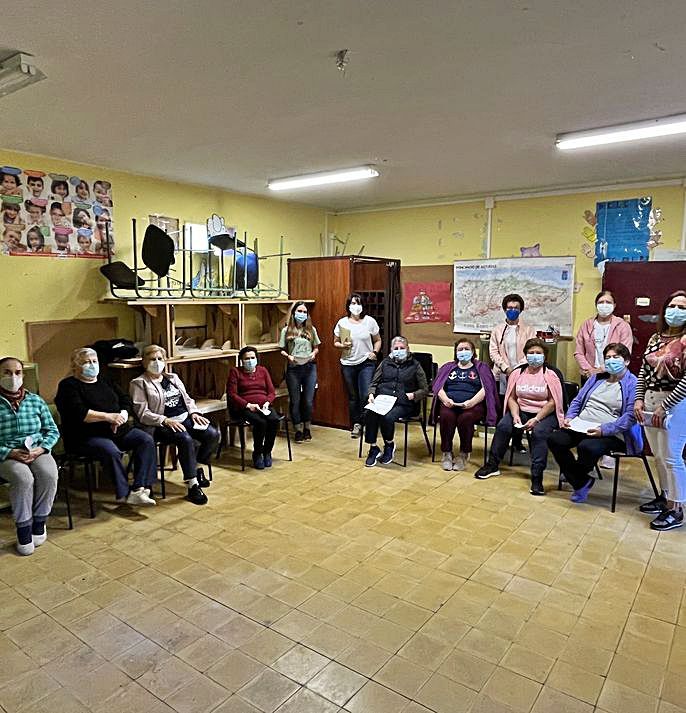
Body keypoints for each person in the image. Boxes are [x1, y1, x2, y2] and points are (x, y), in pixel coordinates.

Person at [55, 347, 157, 505]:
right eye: (86, 362)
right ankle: (125, 493)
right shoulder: (68, 386)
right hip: (87, 435)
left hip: (118, 430)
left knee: (145, 439)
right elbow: (79, 413)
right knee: (111, 451)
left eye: (94, 361)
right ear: (75, 366)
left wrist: (122, 415)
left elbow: (125, 400)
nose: (92, 365)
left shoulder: (106, 380)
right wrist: (109, 417)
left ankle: (140, 487)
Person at [548, 343, 641, 503]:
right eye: (608, 358)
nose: (611, 361)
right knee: (554, 439)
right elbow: (577, 401)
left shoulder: (633, 384)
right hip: (581, 424)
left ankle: (574, 475)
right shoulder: (596, 378)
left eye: (616, 357)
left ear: (626, 361)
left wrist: (604, 430)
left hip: (613, 432)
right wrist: (570, 417)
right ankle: (581, 480)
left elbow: (630, 417)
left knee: (587, 446)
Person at [475, 338, 565, 495]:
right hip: (521, 410)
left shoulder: (551, 374)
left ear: (545, 356)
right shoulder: (518, 372)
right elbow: (512, 397)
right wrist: (515, 414)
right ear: (525, 355)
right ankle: (492, 465)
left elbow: (553, 402)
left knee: (539, 433)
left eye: (538, 353)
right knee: (503, 426)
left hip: (545, 413)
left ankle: (537, 477)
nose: (534, 356)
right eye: (531, 353)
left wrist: (537, 419)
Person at [130, 346, 218, 506]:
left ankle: (196, 466)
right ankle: (193, 485)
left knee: (212, 434)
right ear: (144, 362)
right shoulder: (139, 383)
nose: (157, 363)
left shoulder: (173, 378)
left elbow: (188, 399)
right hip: (160, 424)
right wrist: (164, 420)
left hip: (184, 417)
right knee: (185, 439)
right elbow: (142, 412)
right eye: (152, 359)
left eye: (160, 359)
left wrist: (194, 413)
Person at [634, 290, 686, 531]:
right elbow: (644, 371)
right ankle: (665, 497)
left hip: (675, 403)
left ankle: (677, 508)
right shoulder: (656, 337)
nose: (675, 311)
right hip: (650, 401)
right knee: (657, 454)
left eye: (682, 307)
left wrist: (666, 406)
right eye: (672, 305)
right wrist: (638, 399)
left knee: (672, 456)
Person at [0, 357, 60, 556]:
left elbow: (52, 430)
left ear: (23, 375)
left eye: (17, 372)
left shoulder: (35, 400)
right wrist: (9, 452)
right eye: (7, 372)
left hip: (35, 449)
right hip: (6, 453)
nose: (13, 377)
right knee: (23, 478)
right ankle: (24, 529)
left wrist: (41, 449)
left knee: (49, 474)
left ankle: (40, 521)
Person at [431, 339, 498, 471]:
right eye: (460, 349)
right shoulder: (447, 367)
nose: (463, 352)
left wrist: (471, 402)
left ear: (473, 352)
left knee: (465, 418)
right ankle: (447, 453)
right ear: (455, 353)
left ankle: (463, 454)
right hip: (450, 403)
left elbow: (487, 389)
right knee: (445, 416)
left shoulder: (482, 368)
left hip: (473, 404)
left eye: (466, 349)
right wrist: (445, 400)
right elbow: (438, 387)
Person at [363, 336, 428, 467]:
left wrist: (413, 395)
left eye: (402, 348)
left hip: (403, 402)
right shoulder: (385, 363)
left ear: (408, 349)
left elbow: (425, 389)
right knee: (369, 412)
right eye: (396, 348)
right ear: (391, 349)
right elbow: (374, 382)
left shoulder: (415, 365)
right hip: (383, 399)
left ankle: (389, 444)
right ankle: (373, 447)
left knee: (387, 417)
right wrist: (371, 394)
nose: (399, 350)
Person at [334, 294, 382, 438]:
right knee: (353, 396)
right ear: (348, 306)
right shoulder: (342, 323)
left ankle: (368, 423)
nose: (356, 306)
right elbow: (335, 342)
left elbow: (378, 340)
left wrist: (375, 352)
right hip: (348, 363)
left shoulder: (369, 321)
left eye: (358, 303)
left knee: (365, 394)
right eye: (353, 303)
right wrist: (342, 345)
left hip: (366, 363)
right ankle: (357, 424)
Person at [227, 347, 282, 469]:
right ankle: (257, 453)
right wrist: (248, 405)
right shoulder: (235, 372)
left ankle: (267, 451)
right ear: (241, 360)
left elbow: (272, 391)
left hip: (264, 406)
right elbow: (232, 394)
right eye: (247, 358)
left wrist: (267, 402)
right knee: (260, 423)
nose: (250, 360)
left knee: (273, 420)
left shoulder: (263, 371)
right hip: (245, 407)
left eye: (252, 358)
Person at [279, 301, 320, 442]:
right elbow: (282, 350)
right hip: (294, 368)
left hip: (309, 367)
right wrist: (289, 356)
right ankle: (297, 429)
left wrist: (314, 354)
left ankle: (307, 427)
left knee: (308, 401)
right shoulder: (286, 330)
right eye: (299, 311)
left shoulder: (311, 330)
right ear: (294, 313)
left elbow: (316, 347)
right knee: (295, 401)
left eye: (304, 312)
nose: (301, 314)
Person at [574, 291, 633, 380]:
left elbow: (625, 353)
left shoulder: (622, 326)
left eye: (608, 302)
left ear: (614, 305)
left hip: (614, 374)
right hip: (589, 375)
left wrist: (602, 369)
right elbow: (579, 352)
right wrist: (589, 369)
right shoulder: (587, 325)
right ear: (596, 305)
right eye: (601, 302)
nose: (604, 305)